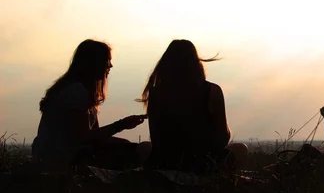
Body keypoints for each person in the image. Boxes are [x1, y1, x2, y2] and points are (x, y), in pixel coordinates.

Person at [32, 39, 151, 171]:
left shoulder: (78, 91)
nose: (110, 66)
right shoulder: (76, 92)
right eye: (107, 60)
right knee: (144, 150)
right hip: (61, 158)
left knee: (133, 148)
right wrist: (121, 125)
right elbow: (82, 137)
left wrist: (123, 141)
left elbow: (96, 136)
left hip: (55, 155)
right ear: (95, 63)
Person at [139, 39, 248, 172]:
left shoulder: (156, 93)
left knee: (145, 146)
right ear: (196, 63)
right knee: (241, 148)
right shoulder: (212, 90)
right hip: (202, 165)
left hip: (166, 164)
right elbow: (222, 137)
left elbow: (155, 138)